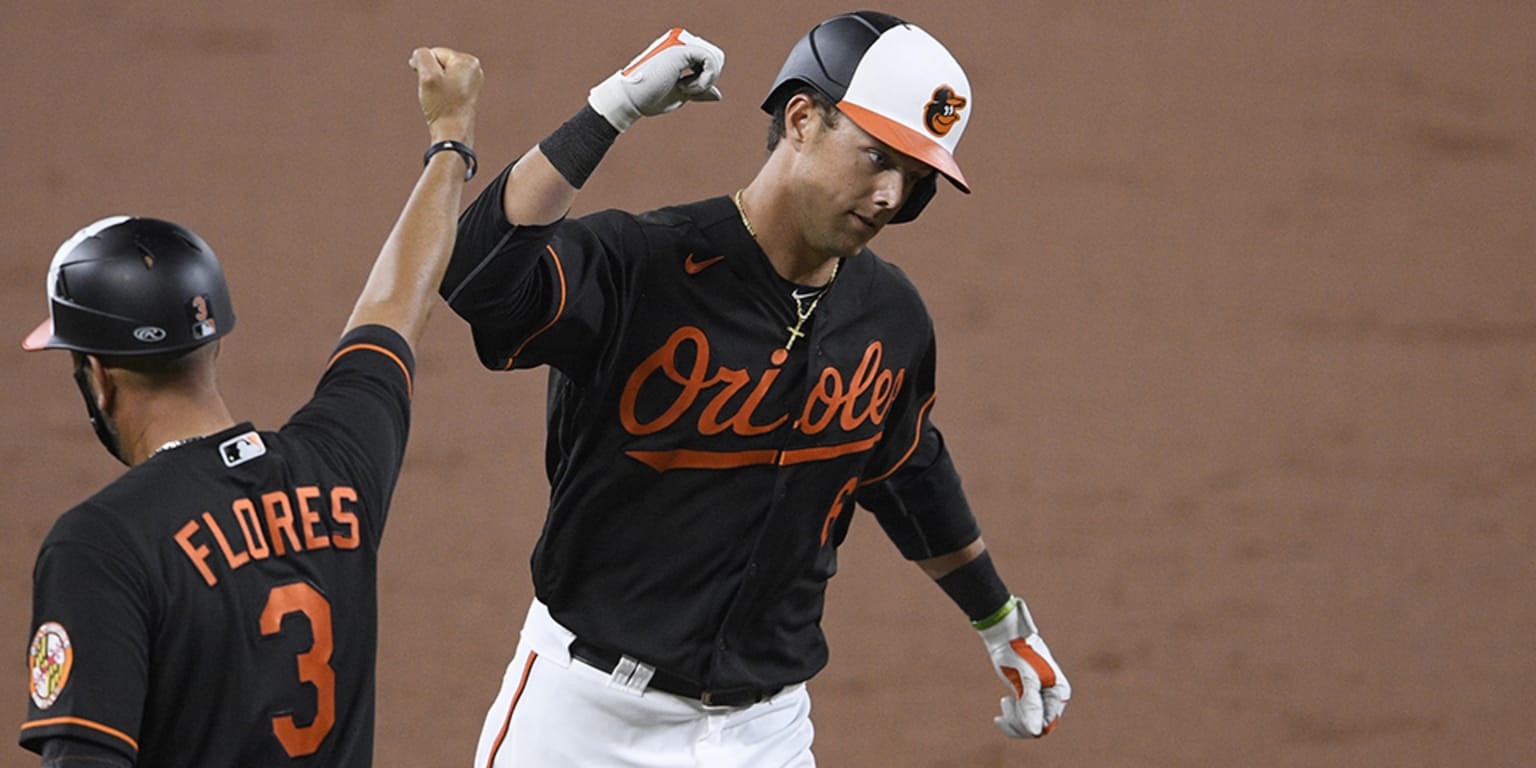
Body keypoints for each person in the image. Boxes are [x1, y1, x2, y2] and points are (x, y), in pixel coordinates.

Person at [440, 12, 1070, 765]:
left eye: (916, 178)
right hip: (587, 721)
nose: (890, 196)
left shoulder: (889, 316)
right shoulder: (643, 265)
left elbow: (908, 473)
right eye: (877, 158)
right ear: (801, 119)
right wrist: (610, 110)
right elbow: (478, 278)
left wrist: (1003, 622)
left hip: (764, 734)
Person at [17, 47, 482, 767]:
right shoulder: (339, 465)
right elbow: (395, 305)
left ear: (99, 378)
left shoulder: (102, 544)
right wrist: (451, 136)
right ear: (215, 348)